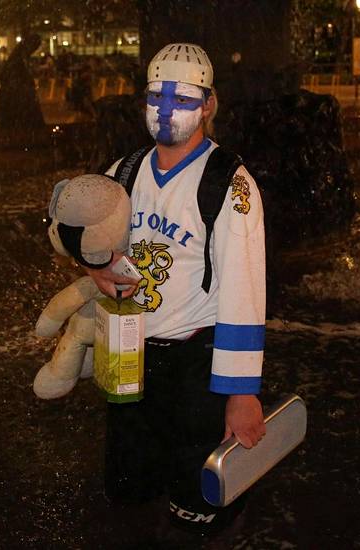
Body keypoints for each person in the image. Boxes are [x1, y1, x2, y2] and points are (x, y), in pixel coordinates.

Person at [84, 43, 267, 537]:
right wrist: (93, 268)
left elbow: (245, 292)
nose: (166, 111)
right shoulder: (123, 173)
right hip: (130, 356)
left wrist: (241, 395)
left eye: (183, 98)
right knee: (130, 498)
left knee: (198, 511)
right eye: (156, 97)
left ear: (208, 104)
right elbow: (83, 236)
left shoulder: (230, 185)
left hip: (195, 371)